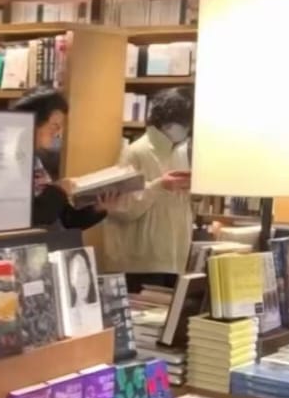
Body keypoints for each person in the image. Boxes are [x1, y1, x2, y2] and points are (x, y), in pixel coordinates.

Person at [103, 87, 194, 292]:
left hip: (175, 255)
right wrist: (159, 185)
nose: (187, 130)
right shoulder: (136, 151)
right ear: (169, 122)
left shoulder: (180, 151)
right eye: (186, 124)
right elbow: (121, 206)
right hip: (142, 261)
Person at [10, 88, 113, 230]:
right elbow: (29, 217)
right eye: (54, 126)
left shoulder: (37, 161)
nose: (57, 133)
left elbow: (65, 220)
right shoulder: (6, 163)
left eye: (60, 127)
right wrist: (59, 190)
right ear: (33, 122)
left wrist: (98, 208)